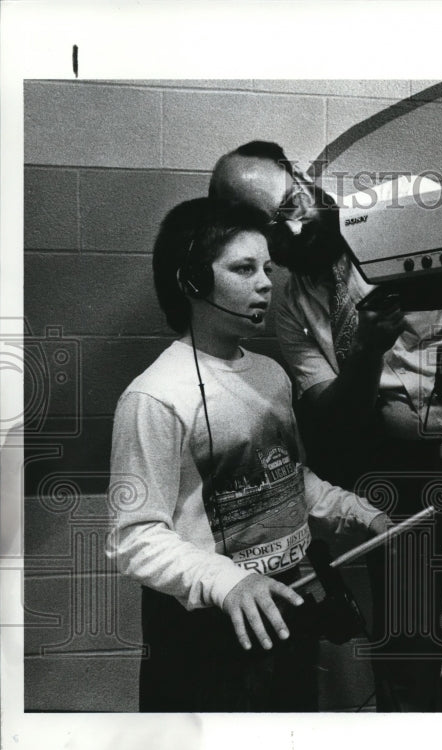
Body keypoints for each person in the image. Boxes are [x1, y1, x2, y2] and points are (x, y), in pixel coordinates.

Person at [209, 142, 442, 712]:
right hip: (397, 472)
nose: (297, 224)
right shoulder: (290, 306)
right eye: (273, 224)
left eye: (292, 202)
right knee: (406, 639)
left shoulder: (406, 218)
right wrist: (367, 353)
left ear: (302, 178)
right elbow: (330, 413)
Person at [107, 197, 390, 712]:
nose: (266, 283)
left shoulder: (270, 374)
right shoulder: (154, 397)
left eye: (267, 268)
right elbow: (135, 537)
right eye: (244, 269)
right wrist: (226, 581)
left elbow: (286, 477)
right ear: (192, 281)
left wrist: (354, 512)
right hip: (209, 629)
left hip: (286, 607)